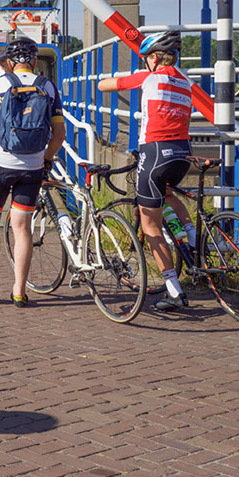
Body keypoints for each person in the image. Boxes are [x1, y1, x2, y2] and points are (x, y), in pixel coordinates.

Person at [96, 30, 195, 312]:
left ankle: (174, 291)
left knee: (149, 222)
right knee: (167, 194)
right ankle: (194, 242)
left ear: (153, 58)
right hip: (182, 154)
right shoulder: (186, 82)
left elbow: (106, 86)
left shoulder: (149, 77)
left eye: (147, 58)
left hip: (155, 154)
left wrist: (109, 79)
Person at [0, 37, 65, 308]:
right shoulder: (48, 86)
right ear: (35, 62)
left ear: (10, 63)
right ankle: (19, 291)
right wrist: (45, 158)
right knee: (22, 227)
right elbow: (59, 134)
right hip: (33, 168)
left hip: (0, 165)